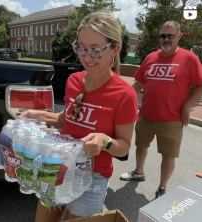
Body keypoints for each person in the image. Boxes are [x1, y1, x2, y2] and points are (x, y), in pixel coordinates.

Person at [20, 11, 138, 222]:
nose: (86, 57)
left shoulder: (124, 94)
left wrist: (104, 141)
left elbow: (124, 146)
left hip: (92, 178)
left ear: (115, 49)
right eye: (81, 48)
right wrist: (35, 115)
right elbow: (65, 120)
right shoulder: (74, 80)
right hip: (58, 166)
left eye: (95, 50)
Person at [120, 21, 202, 199]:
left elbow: (200, 85)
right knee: (140, 146)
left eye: (170, 36)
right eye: (162, 36)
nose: (165, 39)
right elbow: (139, 83)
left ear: (179, 37)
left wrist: (187, 106)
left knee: (168, 155)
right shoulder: (150, 57)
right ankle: (139, 172)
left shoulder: (189, 59)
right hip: (146, 115)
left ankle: (162, 188)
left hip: (172, 119)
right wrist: (123, 100)